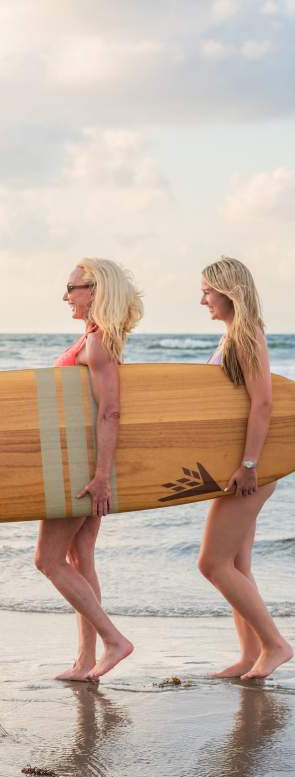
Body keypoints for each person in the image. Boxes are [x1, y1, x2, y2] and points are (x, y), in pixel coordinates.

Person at [35, 258, 143, 681]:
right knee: (79, 558)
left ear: (95, 291)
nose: (66, 296)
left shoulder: (98, 345)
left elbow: (111, 412)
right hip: (84, 464)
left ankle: (113, 640)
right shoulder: (97, 339)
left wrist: (100, 476)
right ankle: (84, 660)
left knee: (47, 559)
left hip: (82, 470)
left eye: (72, 287)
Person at [198, 256, 293, 679]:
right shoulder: (234, 336)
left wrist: (250, 463)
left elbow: (264, 402)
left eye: (207, 291)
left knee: (211, 563)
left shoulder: (246, 335)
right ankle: (249, 654)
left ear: (228, 291)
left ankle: (275, 645)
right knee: (236, 564)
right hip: (240, 468)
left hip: (250, 469)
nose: (203, 300)